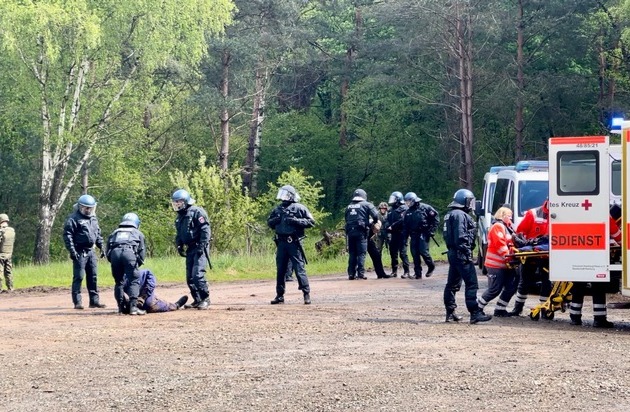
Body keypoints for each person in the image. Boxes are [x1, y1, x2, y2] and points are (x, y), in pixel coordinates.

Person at [443, 188, 492, 324]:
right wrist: (466, 252)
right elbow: (460, 236)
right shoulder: (460, 215)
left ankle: (450, 311)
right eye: (470, 201)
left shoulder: (450, 214)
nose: (471, 204)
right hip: (461, 254)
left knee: (452, 284)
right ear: (464, 201)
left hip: (453, 253)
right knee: (471, 284)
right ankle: (475, 313)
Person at [568, 204, 619, 329]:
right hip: (597, 257)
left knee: (578, 286)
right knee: (598, 287)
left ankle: (575, 317)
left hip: (579, 255)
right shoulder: (605, 216)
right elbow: (618, 236)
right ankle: (599, 320)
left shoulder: (579, 215)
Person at [267, 185, 315, 304]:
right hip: (281, 243)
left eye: (285, 194)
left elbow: (311, 222)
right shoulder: (277, 209)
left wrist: (296, 221)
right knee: (281, 270)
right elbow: (269, 223)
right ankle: (279, 295)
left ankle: (306, 294)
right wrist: (275, 220)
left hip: (294, 242)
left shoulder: (300, 208)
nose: (283, 196)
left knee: (299, 269)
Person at [62, 194, 106, 310]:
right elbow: (68, 236)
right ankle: (77, 302)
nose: (88, 210)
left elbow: (98, 234)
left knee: (93, 276)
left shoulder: (93, 218)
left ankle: (94, 301)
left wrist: (102, 246)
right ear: (80, 207)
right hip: (80, 251)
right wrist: (72, 251)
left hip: (91, 251)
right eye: (86, 208)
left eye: (90, 208)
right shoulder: (73, 218)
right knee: (79, 277)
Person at [172, 189, 212, 310]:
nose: (177, 204)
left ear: (185, 201)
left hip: (200, 247)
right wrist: (179, 244)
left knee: (197, 275)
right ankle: (197, 299)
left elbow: (205, 229)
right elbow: (179, 233)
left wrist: (202, 245)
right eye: (175, 202)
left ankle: (205, 298)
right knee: (189, 277)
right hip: (190, 248)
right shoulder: (180, 217)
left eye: (179, 202)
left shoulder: (197, 212)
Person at [509, 199, 550, 316]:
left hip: (547, 255)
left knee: (547, 282)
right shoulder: (533, 214)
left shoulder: (560, 214)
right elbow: (520, 233)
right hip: (530, 253)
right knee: (524, 281)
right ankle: (518, 308)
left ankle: (545, 309)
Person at [476, 207, 518, 317]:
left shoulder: (507, 227)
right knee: (494, 289)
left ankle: (500, 309)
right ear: (502, 215)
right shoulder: (497, 227)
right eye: (509, 216)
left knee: (511, 287)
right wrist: (509, 256)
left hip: (506, 265)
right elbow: (500, 244)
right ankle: (477, 308)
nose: (511, 218)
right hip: (496, 264)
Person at [106, 213, 147, 315]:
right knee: (134, 280)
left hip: (115, 254)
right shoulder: (138, 233)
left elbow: (108, 251)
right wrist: (136, 265)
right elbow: (142, 253)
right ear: (136, 223)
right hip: (129, 253)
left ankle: (120, 308)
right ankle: (133, 308)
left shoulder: (114, 232)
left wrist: (114, 262)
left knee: (118, 282)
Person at [344, 188, 382, 280]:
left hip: (350, 232)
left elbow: (346, 218)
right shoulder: (367, 205)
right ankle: (360, 274)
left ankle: (351, 274)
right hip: (361, 232)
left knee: (352, 253)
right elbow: (376, 215)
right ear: (364, 196)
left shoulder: (348, 206)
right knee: (361, 253)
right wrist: (375, 222)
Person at [402, 192, 439, 279]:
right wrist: (405, 238)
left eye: (409, 201)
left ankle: (431, 266)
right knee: (414, 254)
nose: (407, 203)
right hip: (413, 234)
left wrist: (432, 230)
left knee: (423, 252)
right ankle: (417, 273)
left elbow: (436, 218)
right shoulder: (407, 212)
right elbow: (406, 227)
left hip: (424, 233)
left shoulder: (425, 208)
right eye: (406, 202)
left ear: (414, 200)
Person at [121, 269, 188, 314]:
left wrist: (143, 297)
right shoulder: (121, 280)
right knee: (150, 305)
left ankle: (175, 305)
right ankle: (174, 305)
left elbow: (149, 275)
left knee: (150, 304)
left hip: (144, 292)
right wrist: (124, 305)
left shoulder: (141, 274)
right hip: (136, 298)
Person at [384, 191, 410, 278]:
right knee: (393, 253)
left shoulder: (404, 208)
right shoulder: (391, 210)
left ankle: (407, 271)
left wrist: (393, 226)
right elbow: (387, 220)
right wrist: (387, 226)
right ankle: (394, 271)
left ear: (398, 199)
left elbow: (402, 220)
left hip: (402, 233)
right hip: (393, 234)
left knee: (402, 253)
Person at [0, 213, 15, 293]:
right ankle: (10, 287)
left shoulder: (1, 231)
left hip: (1, 255)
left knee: (0, 272)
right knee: (8, 271)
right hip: (9, 254)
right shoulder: (12, 230)